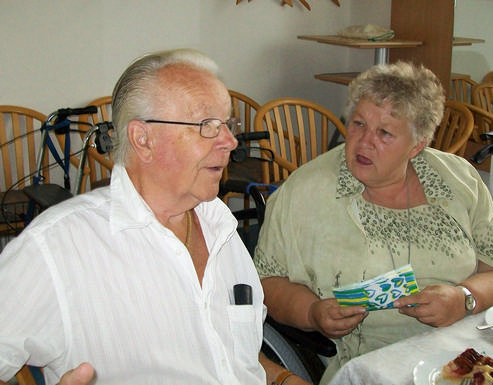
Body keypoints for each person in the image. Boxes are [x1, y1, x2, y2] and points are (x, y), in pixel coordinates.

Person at [0, 48, 308, 385]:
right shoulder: (56, 248)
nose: (230, 141)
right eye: (207, 125)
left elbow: (230, 356)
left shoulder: (221, 226)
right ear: (142, 139)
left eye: (228, 124)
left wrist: (282, 379)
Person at [253, 61, 493, 384]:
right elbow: (265, 284)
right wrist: (313, 312)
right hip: (371, 367)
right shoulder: (303, 192)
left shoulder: (460, 181)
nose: (365, 142)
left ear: (418, 145)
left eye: (384, 133)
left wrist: (463, 298)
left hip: (463, 357)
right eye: (358, 124)